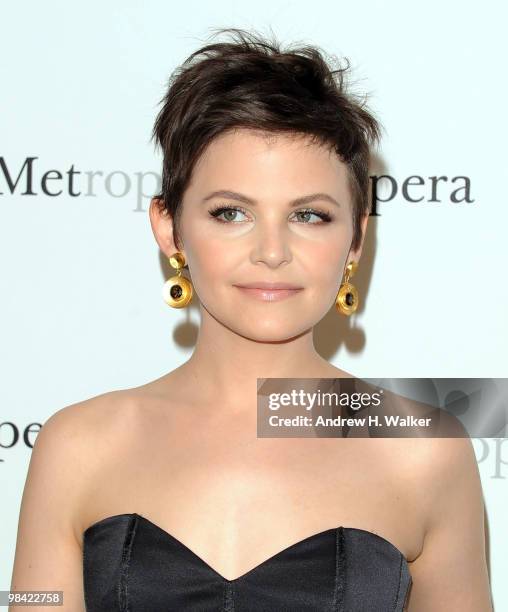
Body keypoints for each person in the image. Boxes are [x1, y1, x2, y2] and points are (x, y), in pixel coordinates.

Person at [9, 27, 492, 611]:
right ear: (169, 228)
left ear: (357, 237)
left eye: (310, 215)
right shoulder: (78, 445)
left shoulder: (425, 450)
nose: (271, 250)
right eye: (231, 211)